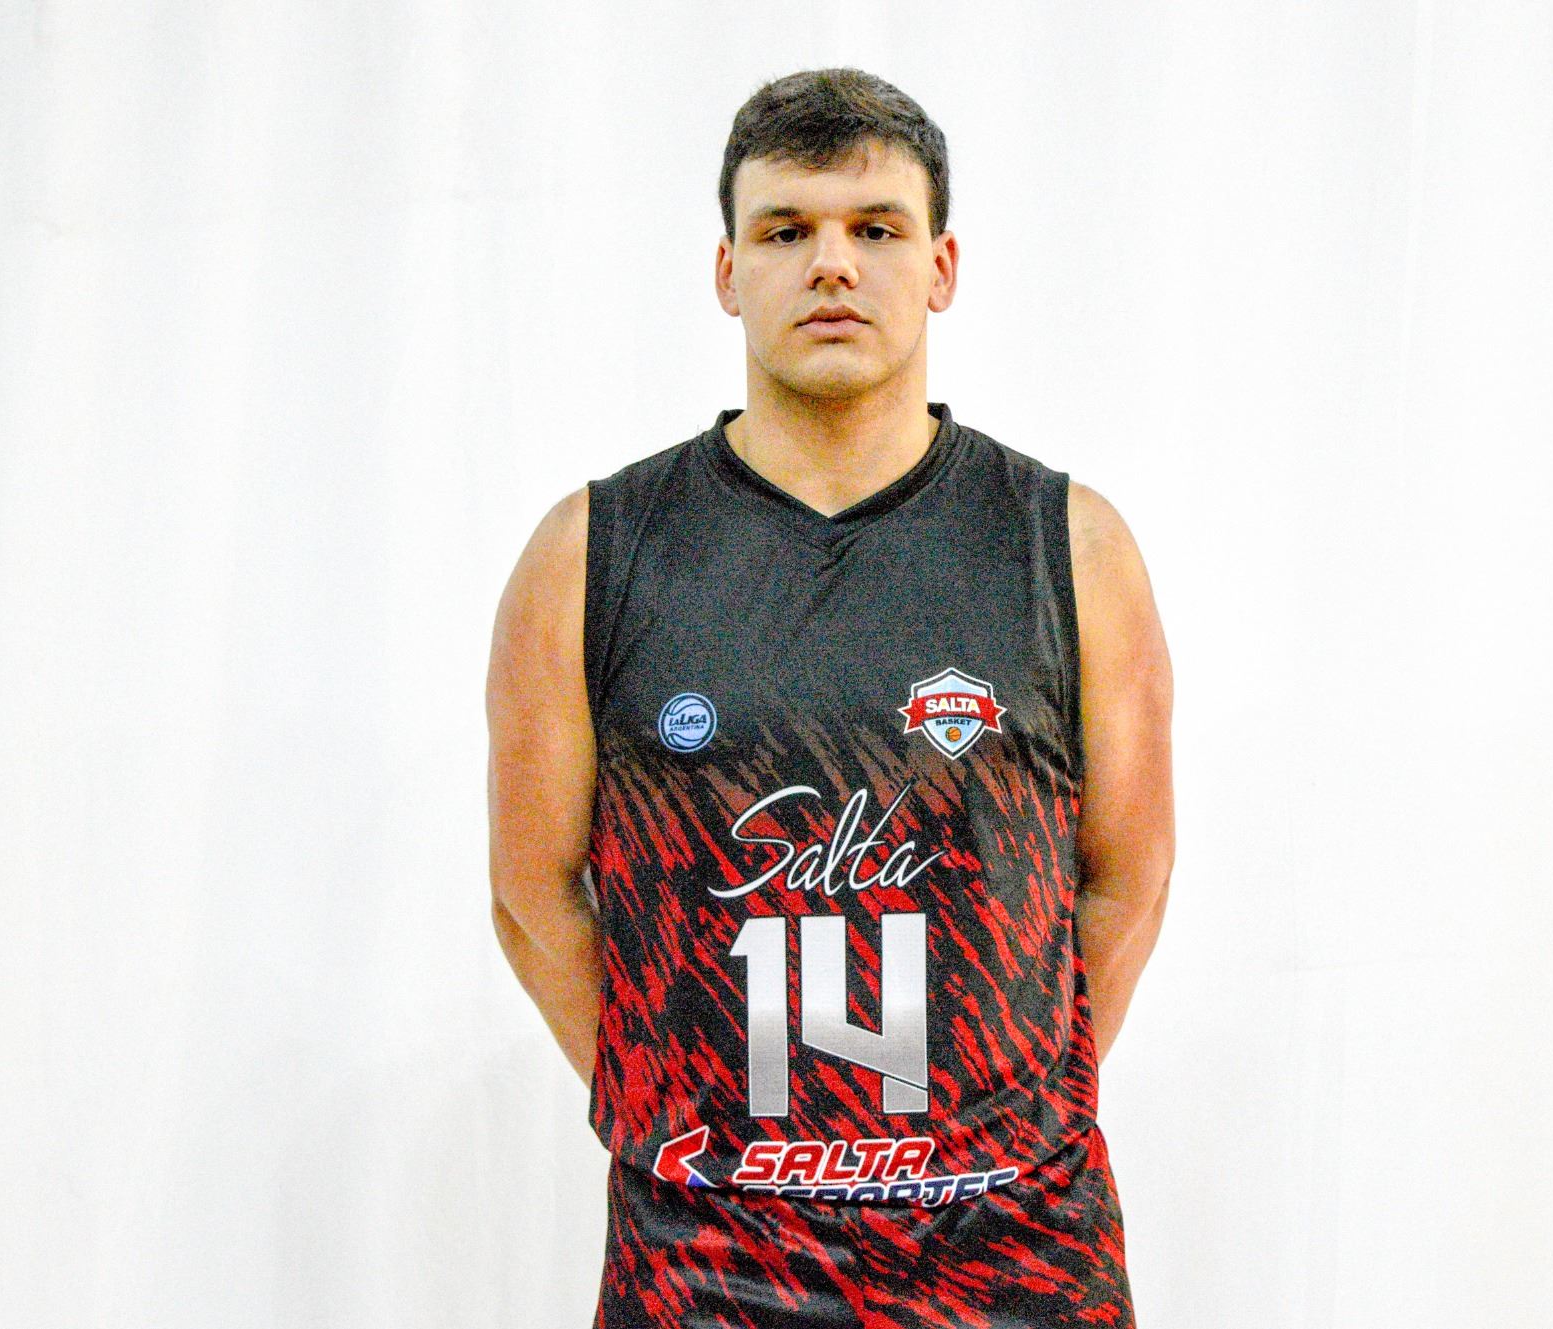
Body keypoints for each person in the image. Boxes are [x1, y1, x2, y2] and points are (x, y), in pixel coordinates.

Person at [487, 66, 1173, 1327]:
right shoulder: (590, 553)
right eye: (784, 231)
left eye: (875, 228)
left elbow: (1124, 877)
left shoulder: (1068, 545)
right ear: (726, 271)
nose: (831, 266)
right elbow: (533, 894)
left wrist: (997, 1115)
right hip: (708, 1256)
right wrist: (680, 1121)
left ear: (941, 267)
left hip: (1010, 1248)